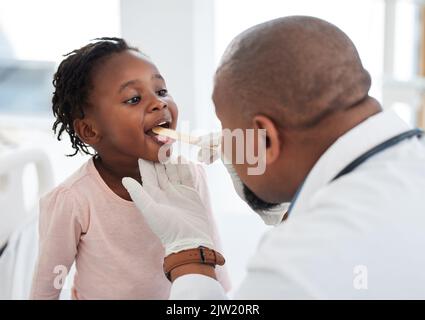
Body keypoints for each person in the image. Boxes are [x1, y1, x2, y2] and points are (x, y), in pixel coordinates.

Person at [123, 16, 425, 299]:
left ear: (265, 137)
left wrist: (190, 253)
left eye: (227, 128)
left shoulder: (304, 260)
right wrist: (288, 213)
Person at [30, 38, 230, 300]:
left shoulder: (190, 176)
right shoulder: (73, 199)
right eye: (134, 98)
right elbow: (47, 284)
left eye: (161, 91)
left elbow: (208, 250)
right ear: (90, 130)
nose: (159, 104)